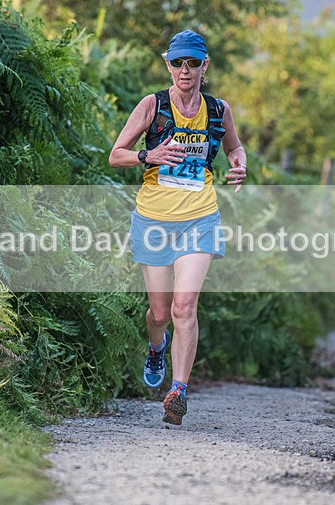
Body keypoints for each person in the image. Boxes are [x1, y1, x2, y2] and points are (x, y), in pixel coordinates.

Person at [109, 30, 247, 425]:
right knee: (160, 314)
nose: (184, 71)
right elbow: (115, 155)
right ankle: (156, 348)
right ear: (168, 64)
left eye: (192, 63)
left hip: (200, 216)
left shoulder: (219, 109)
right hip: (153, 219)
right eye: (177, 63)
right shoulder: (152, 105)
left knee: (184, 306)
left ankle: (179, 391)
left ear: (205, 65)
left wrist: (239, 164)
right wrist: (147, 155)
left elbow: (234, 147)